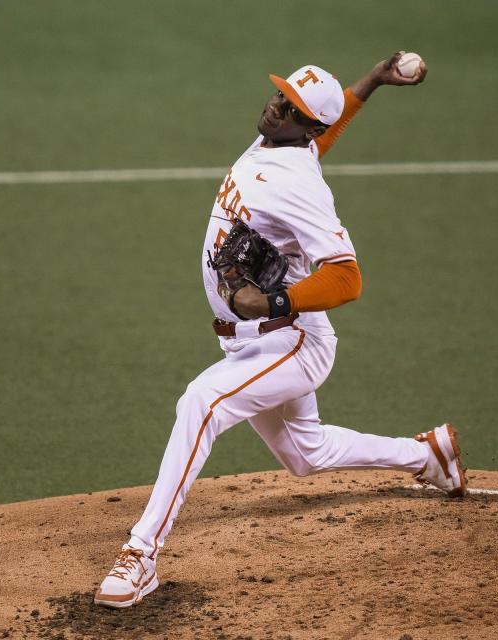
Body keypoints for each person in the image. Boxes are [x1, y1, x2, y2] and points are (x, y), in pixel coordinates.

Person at [94, 52, 467, 609]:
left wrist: (273, 298)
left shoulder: (299, 183)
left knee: (201, 402)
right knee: (304, 454)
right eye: (280, 96)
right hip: (252, 337)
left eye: (290, 108)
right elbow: (324, 132)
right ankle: (428, 456)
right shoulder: (280, 141)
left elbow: (347, 278)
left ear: (305, 124)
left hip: (292, 338)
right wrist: (371, 82)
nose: (275, 107)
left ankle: (141, 554)